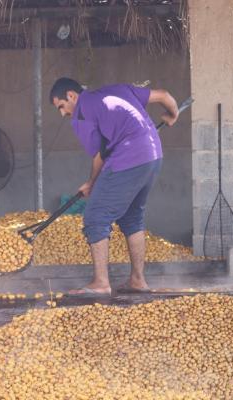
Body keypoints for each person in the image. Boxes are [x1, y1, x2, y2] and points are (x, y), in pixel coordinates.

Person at [49, 77, 179, 296]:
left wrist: (91, 183)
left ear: (71, 96)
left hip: (129, 158)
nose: (62, 113)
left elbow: (100, 156)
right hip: (153, 156)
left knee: (96, 215)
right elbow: (165, 96)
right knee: (132, 216)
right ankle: (138, 280)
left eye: (61, 106)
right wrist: (173, 114)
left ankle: (101, 283)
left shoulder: (81, 113)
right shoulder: (120, 89)